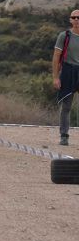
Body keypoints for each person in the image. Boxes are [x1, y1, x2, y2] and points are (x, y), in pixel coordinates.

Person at [52, 9, 79, 145]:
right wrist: (56, 77)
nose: (76, 20)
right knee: (66, 105)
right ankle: (64, 136)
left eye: (78, 18)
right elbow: (56, 57)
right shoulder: (65, 36)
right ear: (70, 20)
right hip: (68, 71)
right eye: (73, 17)